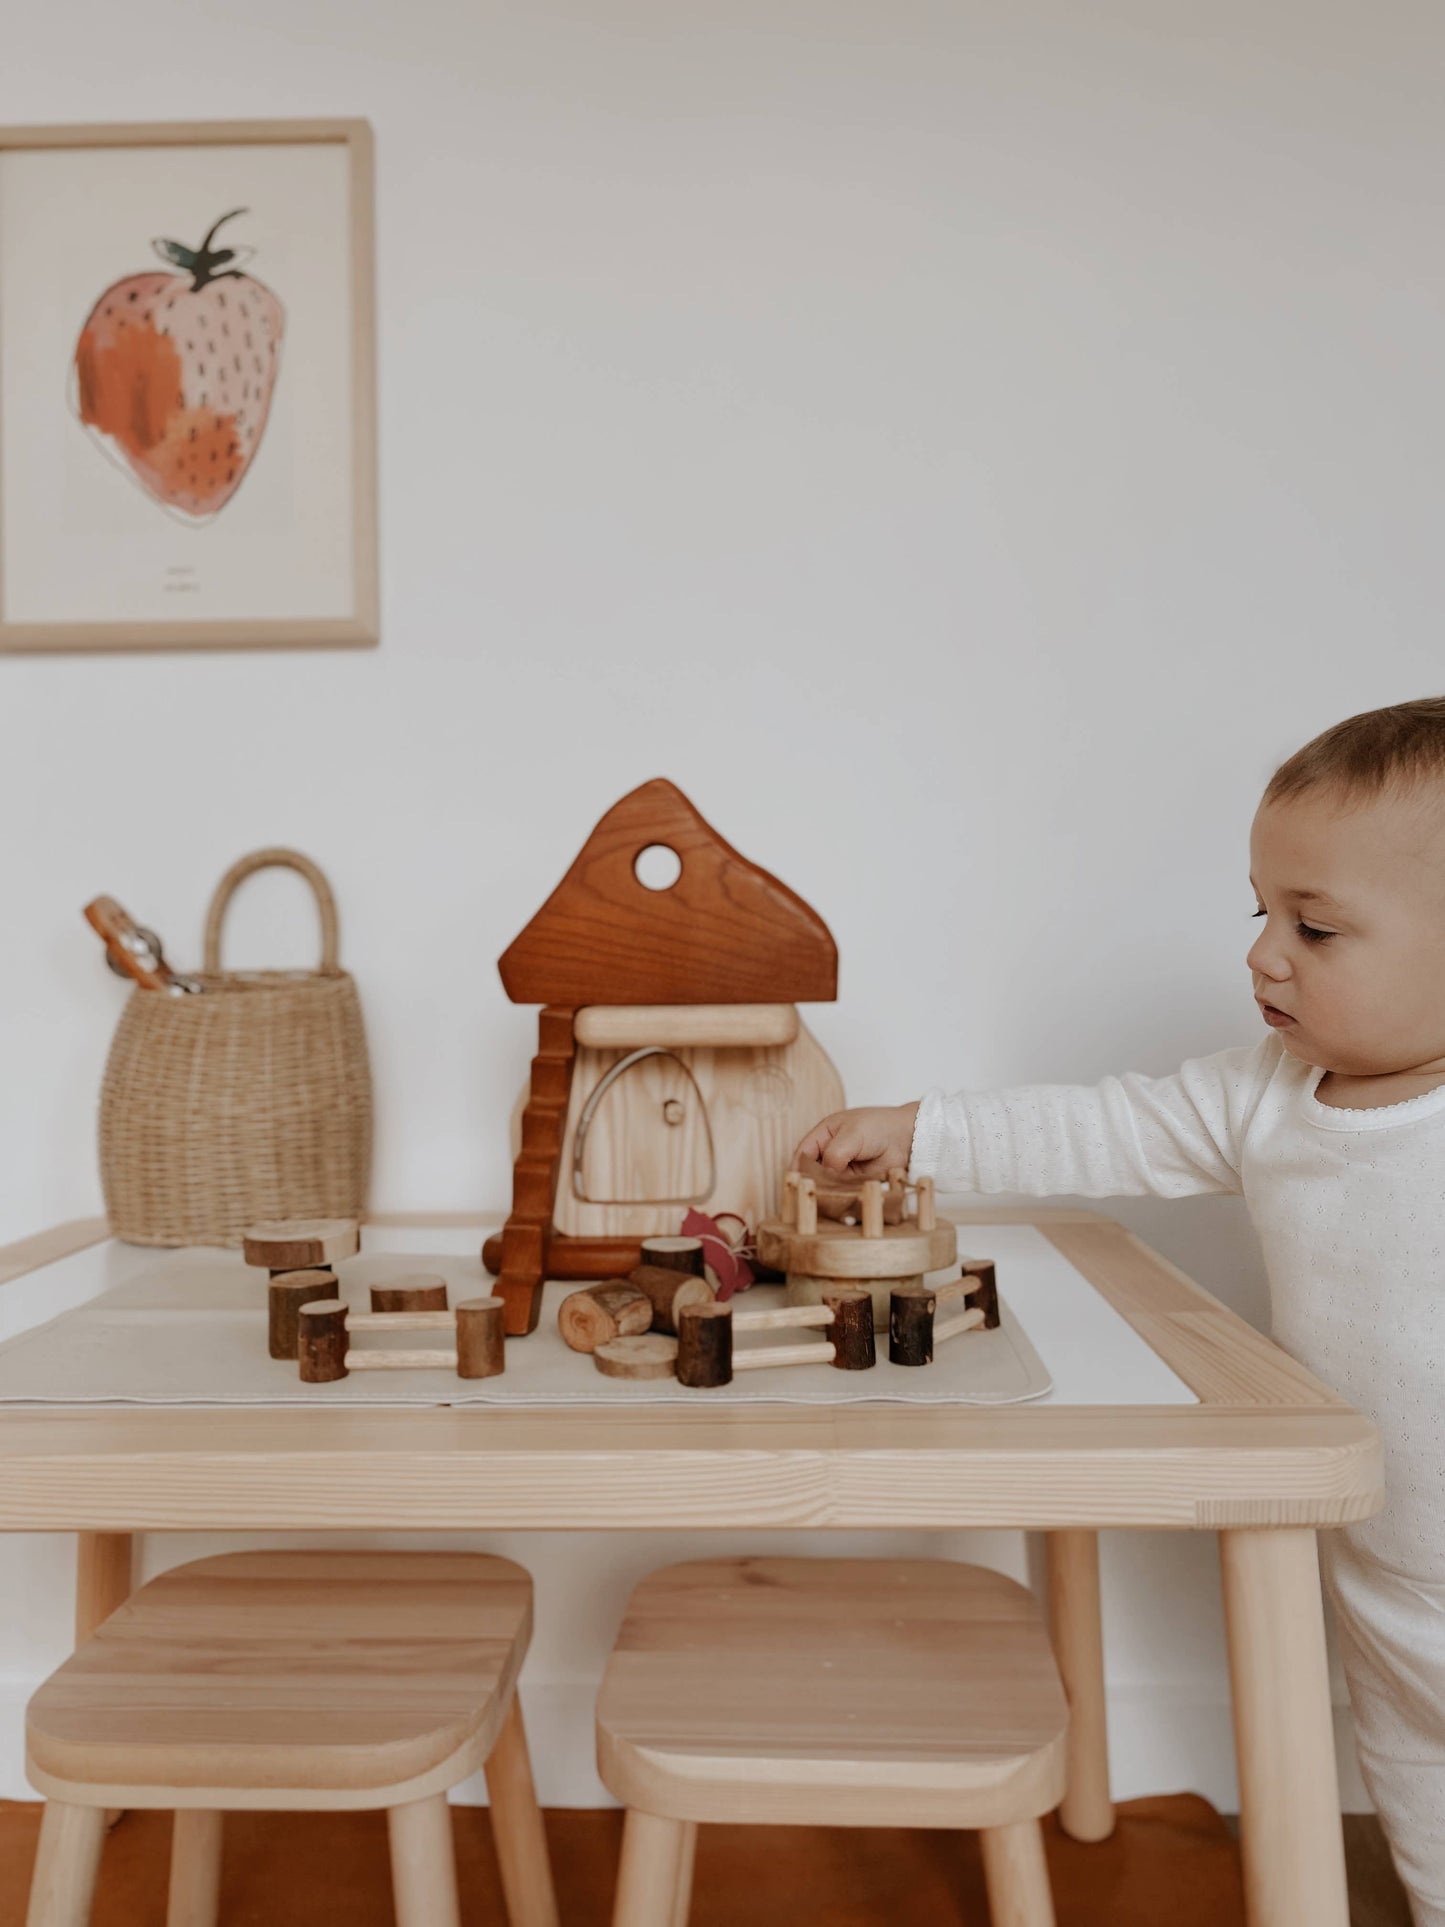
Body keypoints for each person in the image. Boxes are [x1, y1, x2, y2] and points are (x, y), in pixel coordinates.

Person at [795, 698, 1445, 1924]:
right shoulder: (1266, 1093)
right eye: (1260, 913)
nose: (1262, 954)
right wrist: (919, 1130)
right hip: (1381, 1559)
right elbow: (1102, 1122)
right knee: (1414, 1780)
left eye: (1313, 927)